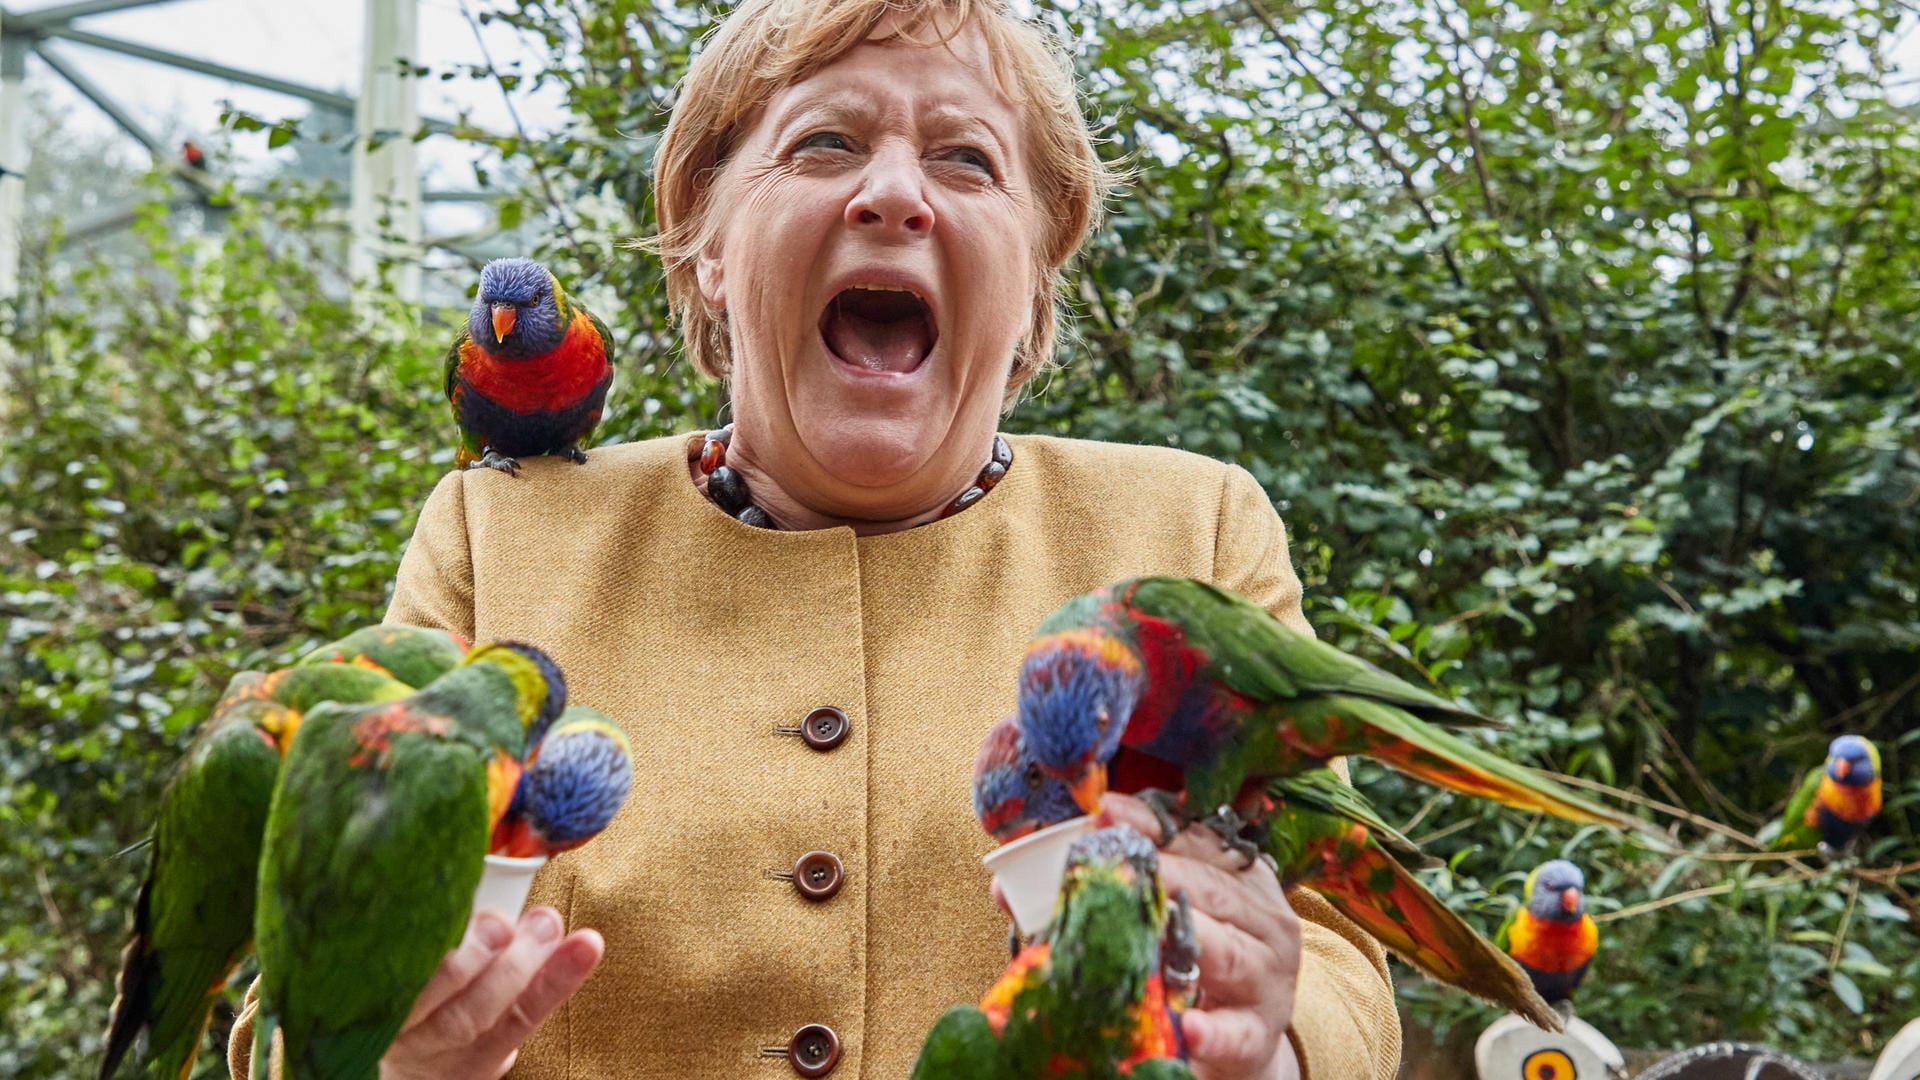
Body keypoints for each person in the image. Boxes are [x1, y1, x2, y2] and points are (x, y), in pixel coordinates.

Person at [228, 1, 1402, 1076]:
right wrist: (383, 1055)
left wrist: (1270, 1048)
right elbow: (293, 987)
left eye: (966, 158)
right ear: (711, 249)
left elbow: (1344, 959)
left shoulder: (1189, 532)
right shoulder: (502, 533)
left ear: (1038, 277)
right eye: (824, 144)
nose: (893, 194)